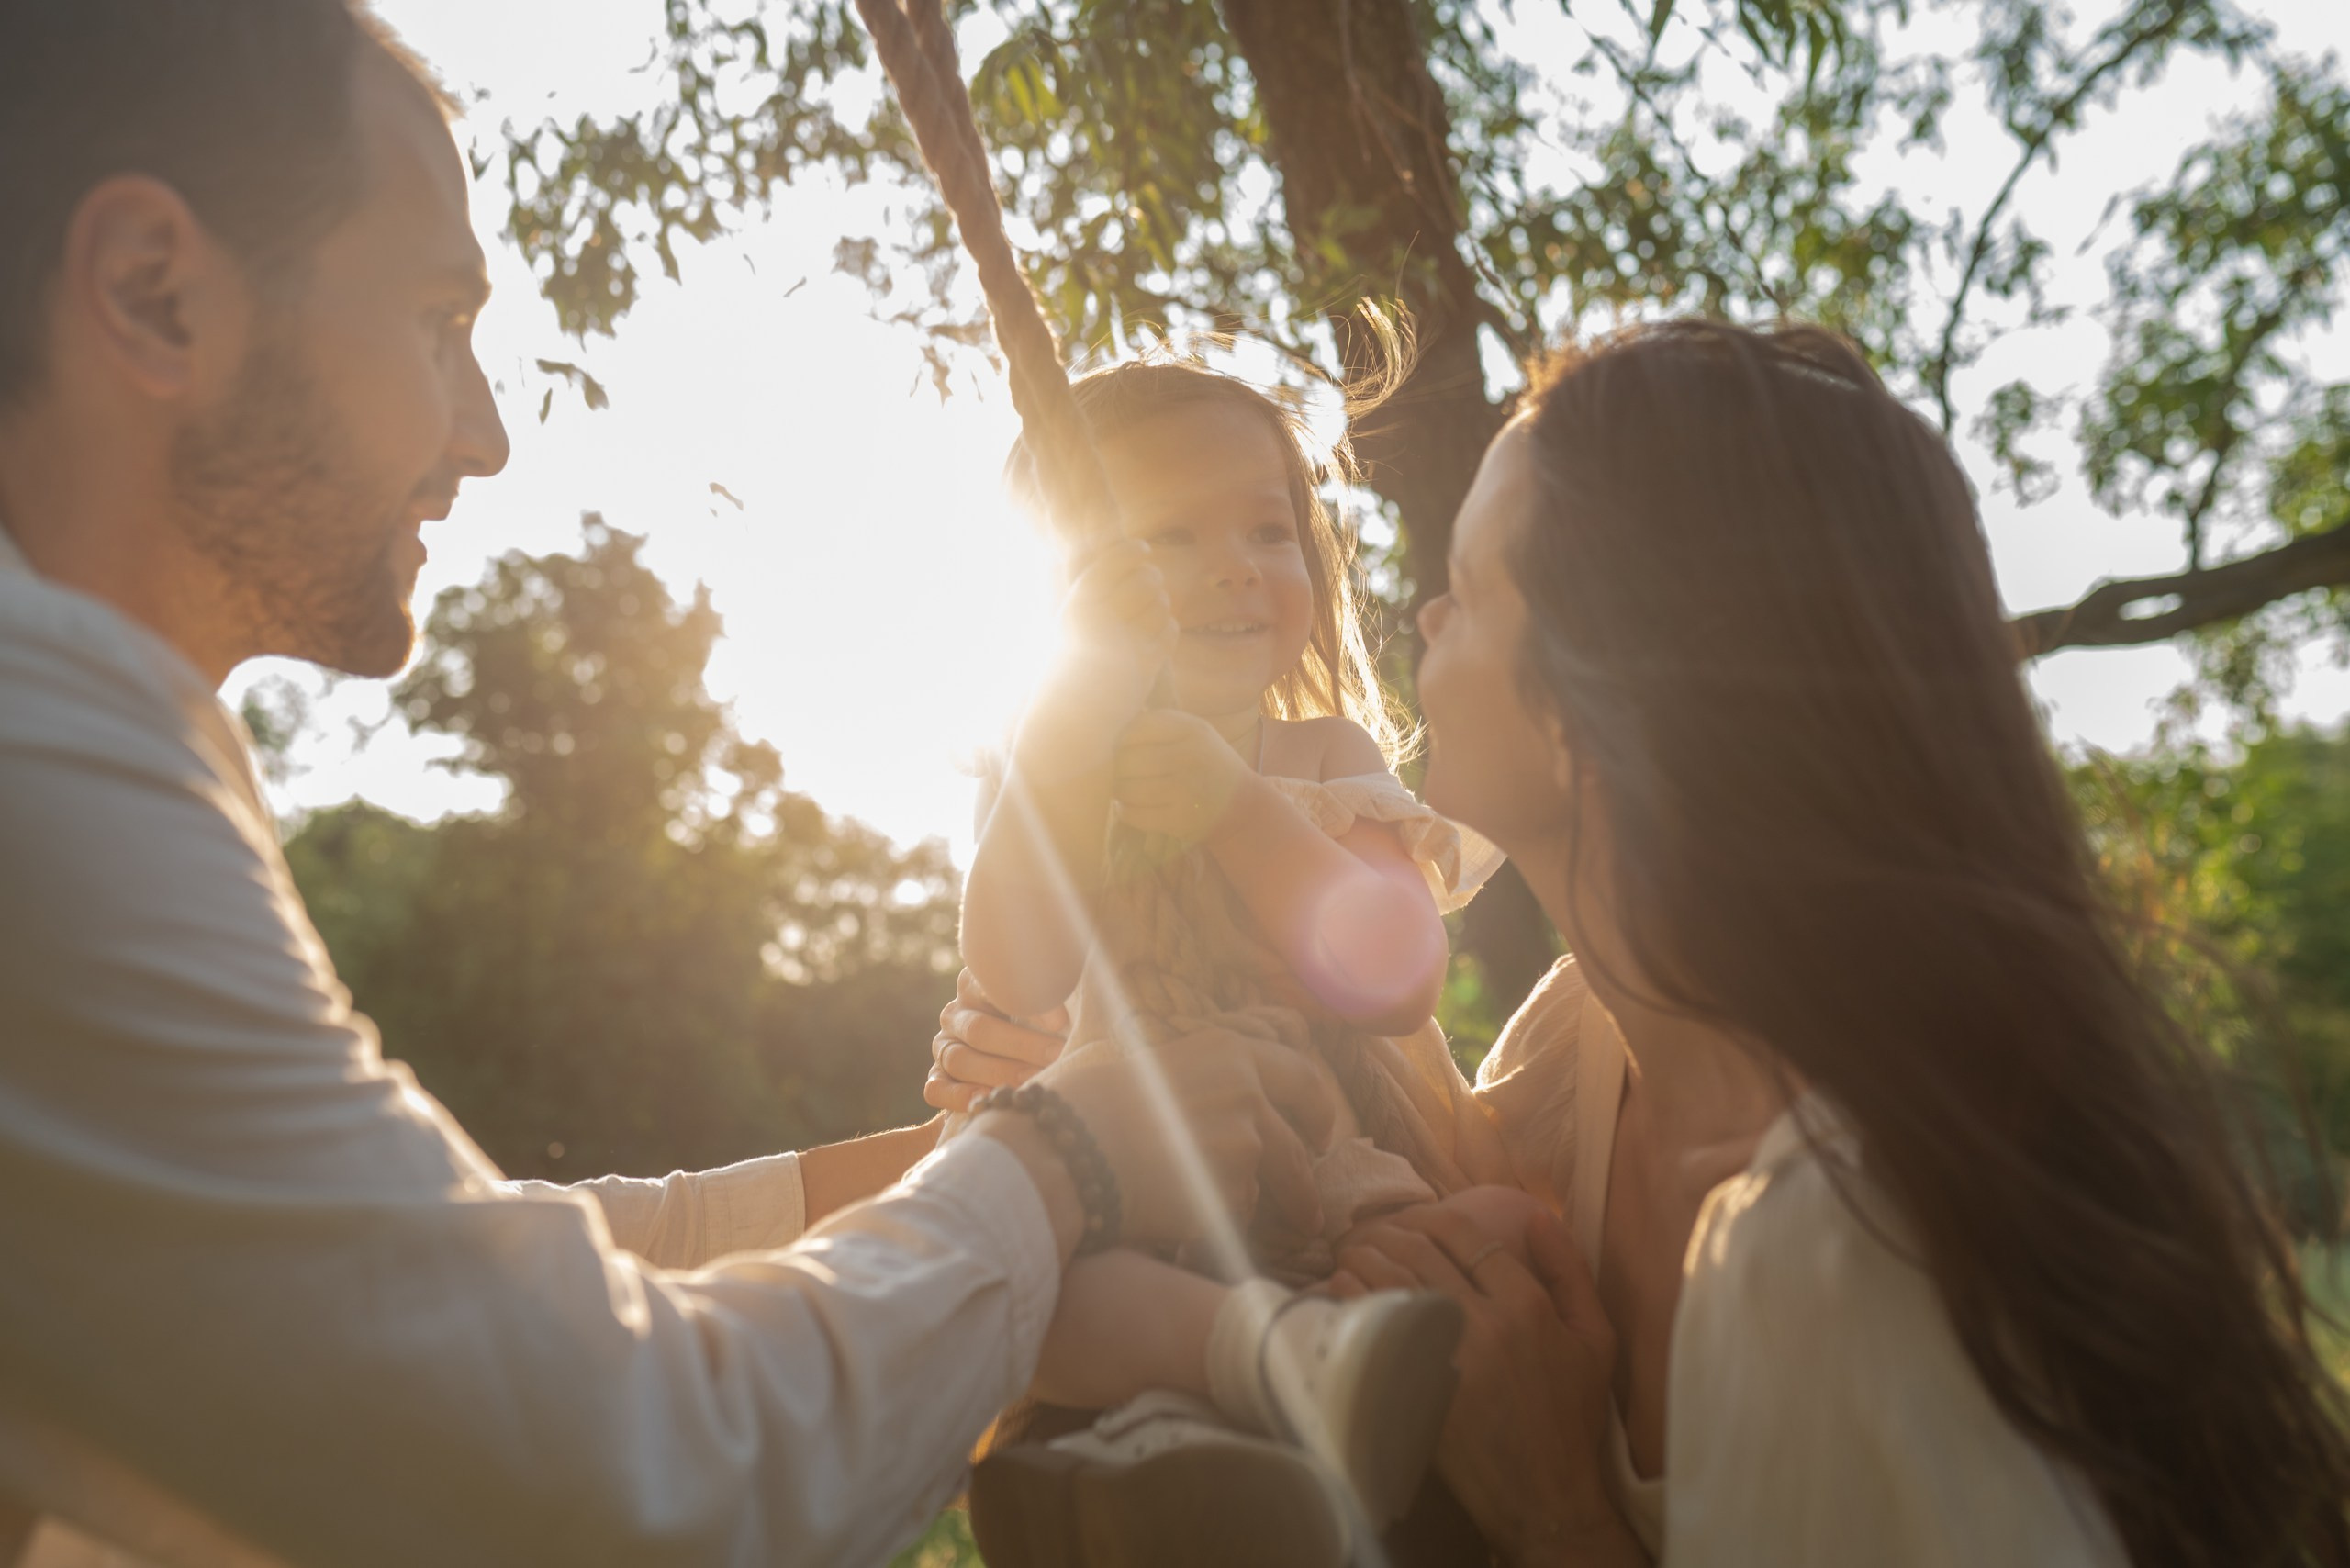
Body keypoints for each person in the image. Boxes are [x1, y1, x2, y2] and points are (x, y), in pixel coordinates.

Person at [0, 6, 1339, 1565]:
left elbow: (442, 1268)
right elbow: (608, 1485)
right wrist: (1061, 1164)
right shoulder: (44, 764)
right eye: (440, 322)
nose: (485, 435)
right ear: (155, 295)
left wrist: (985, 1153)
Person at [936, 323, 2350, 1566]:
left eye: (1476, 587)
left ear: (1608, 697)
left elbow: (1380, 980)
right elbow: (1377, 1126)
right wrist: (1040, 1086)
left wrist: (1558, 1515)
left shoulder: (1850, 1245)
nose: (1422, 609)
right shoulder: (1579, 1055)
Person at [948, 363, 1524, 1562]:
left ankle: (1302, 1390)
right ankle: (1216, 1408)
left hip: (1328, 1196)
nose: (1236, 564)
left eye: (1270, 528)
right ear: (1077, 589)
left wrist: (1236, 807)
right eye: (1171, 532)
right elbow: (1017, 969)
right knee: (1036, 1299)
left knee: (1461, 1277)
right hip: (1137, 1199)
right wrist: (1062, 743)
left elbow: (1400, 973)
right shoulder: (1055, 766)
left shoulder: (1320, 752)